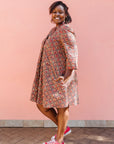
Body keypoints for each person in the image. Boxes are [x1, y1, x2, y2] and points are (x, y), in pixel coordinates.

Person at [30, 1, 79, 144]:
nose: (57, 14)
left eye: (60, 12)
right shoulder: (53, 31)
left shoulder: (65, 30)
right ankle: (63, 129)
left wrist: (67, 77)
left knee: (62, 107)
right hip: (50, 76)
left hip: (61, 76)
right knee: (42, 104)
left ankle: (59, 140)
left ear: (65, 15)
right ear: (51, 14)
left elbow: (72, 54)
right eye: (54, 12)